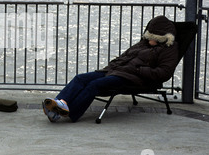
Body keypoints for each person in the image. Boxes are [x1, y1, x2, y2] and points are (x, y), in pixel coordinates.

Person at [43, 15, 179, 122]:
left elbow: (164, 73)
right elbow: (125, 56)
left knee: (94, 85)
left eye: (152, 37)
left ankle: (68, 112)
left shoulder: (168, 50)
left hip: (133, 78)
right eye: (148, 36)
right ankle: (59, 104)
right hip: (115, 70)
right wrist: (111, 66)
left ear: (162, 38)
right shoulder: (143, 44)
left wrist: (139, 70)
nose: (149, 39)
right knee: (80, 78)